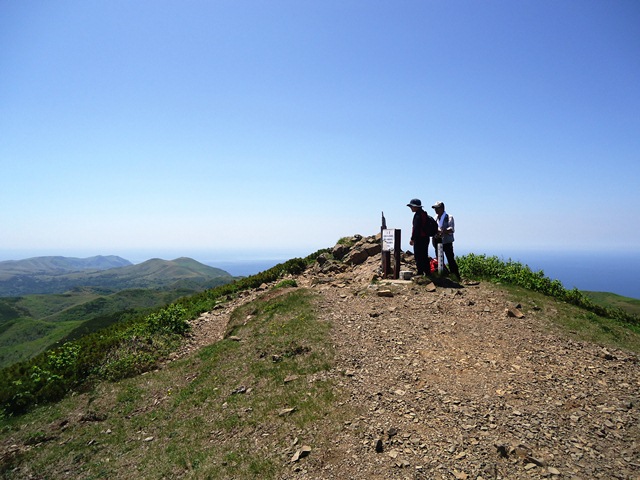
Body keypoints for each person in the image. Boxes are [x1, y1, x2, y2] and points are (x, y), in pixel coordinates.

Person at [431, 201, 460, 280]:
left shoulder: (449, 217)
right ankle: (442, 275)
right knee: (439, 259)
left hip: (447, 241)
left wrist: (443, 231)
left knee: (450, 259)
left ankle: (456, 276)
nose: (436, 210)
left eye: (437, 208)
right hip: (437, 241)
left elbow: (451, 229)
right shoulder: (435, 218)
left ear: (442, 208)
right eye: (435, 208)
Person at [407, 198, 431, 276]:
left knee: (418, 255)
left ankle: (420, 272)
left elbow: (416, 228)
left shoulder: (417, 215)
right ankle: (427, 272)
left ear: (416, 207)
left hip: (419, 238)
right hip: (426, 238)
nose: (411, 208)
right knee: (424, 255)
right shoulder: (424, 214)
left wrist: (412, 239)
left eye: (411, 206)